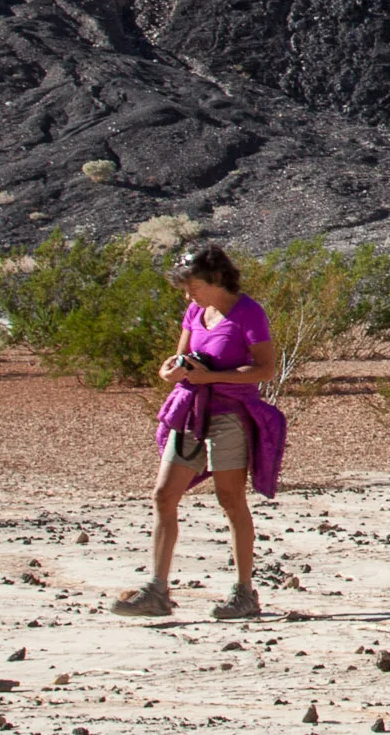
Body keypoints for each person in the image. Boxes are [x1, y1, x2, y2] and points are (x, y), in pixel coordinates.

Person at [110, 244, 288, 621]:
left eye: (193, 287)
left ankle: (244, 593)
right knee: (164, 495)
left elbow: (265, 369)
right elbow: (178, 357)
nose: (188, 295)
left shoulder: (249, 313)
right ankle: (157, 590)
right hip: (192, 410)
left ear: (217, 278)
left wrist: (213, 377)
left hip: (230, 415)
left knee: (230, 498)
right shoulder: (195, 311)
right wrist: (170, 372)